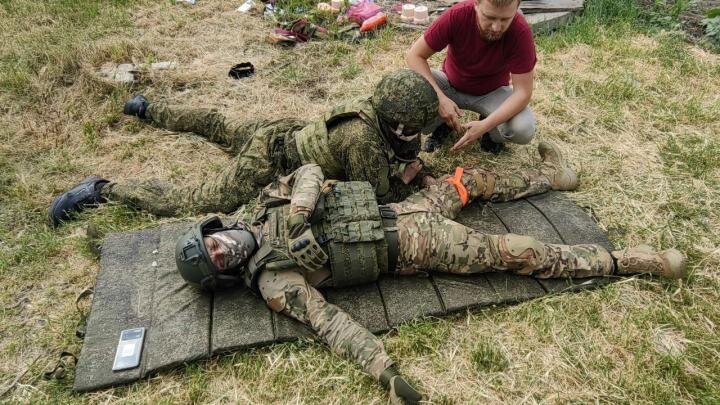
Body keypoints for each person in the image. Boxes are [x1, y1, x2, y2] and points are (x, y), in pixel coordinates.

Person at [173, 143, 686, 404]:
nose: (223, 249)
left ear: (217, 229)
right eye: (218, 258)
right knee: (518, 251)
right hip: (419, 244)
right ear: (227, 272)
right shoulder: (274, 281)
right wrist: (385, 371)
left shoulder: (267, 206)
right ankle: (629, 262)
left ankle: (553, 176)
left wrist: (303, 206)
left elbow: (308, 169)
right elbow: (329, 324)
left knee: (468, 181)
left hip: (408, 208)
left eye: (213, 241)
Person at [48, 70, 438, 226]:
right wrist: (408, 181)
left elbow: (401, 147)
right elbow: (377, 200)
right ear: (394, 120)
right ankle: (102, 190)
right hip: (270, 161)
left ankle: (146, 108)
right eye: (409, 130)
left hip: (286, 131)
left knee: (218, 124)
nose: (413, 137)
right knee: (195, 200)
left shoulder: (377, 106)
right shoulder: (363, 141)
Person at [406, 0, 537, 153]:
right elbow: (415, 56)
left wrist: (486, 125)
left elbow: (523, 92)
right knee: (407, 88)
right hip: (450, 85)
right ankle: (442, 124)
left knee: (523, 128)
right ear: (476, 4)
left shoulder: (520, 31)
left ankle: (491, 134)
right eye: (489, 17)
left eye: (505, 19)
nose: (496, 27)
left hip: (492, 92)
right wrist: (440, 98)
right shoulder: (457, 15)